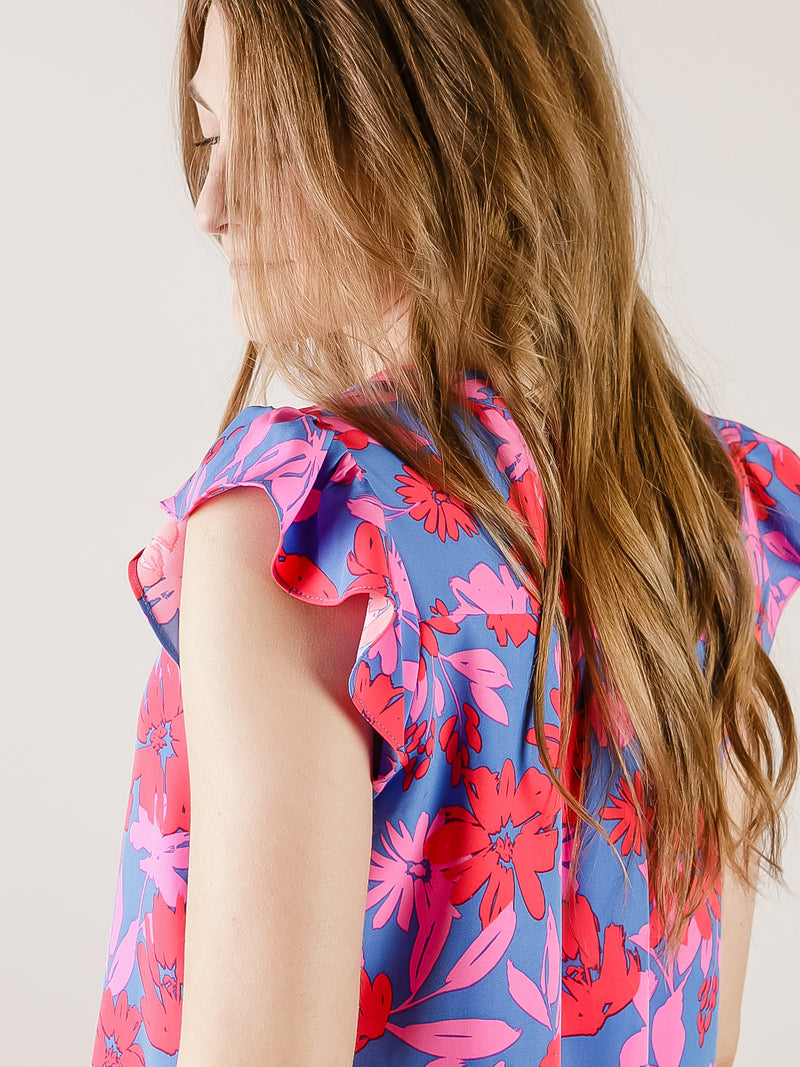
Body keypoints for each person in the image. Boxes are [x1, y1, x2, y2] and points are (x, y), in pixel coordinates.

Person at [92, 2, 800, 1065]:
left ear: (431, 129)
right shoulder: (703, 509)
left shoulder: (309, 531)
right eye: (208, 134)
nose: (211, 204)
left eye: (270, 136)